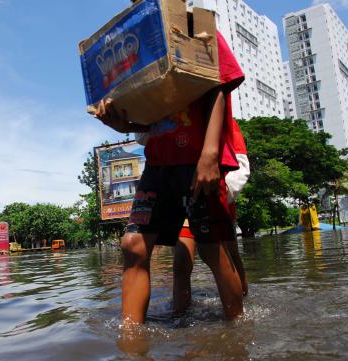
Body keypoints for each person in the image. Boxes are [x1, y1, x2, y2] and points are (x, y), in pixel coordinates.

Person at [96, 5, 245, 326]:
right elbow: (146, 118)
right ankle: (132, 339)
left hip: (195, 162)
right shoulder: (138, 48)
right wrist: (120, 125)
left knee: (211, 250)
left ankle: (239, 333)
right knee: (133, 245)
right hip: (158, 164)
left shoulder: (193, 26)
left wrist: (209, 155)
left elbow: (219, 84)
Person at [169, 118, 250, 314]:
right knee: (181, 261)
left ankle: (241, 307)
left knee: (230, 255)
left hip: (217, 196)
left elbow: (241, 167)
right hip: (184, 199)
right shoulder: (171, 120)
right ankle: (179, 316)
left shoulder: (225, 121)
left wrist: (218, 193)